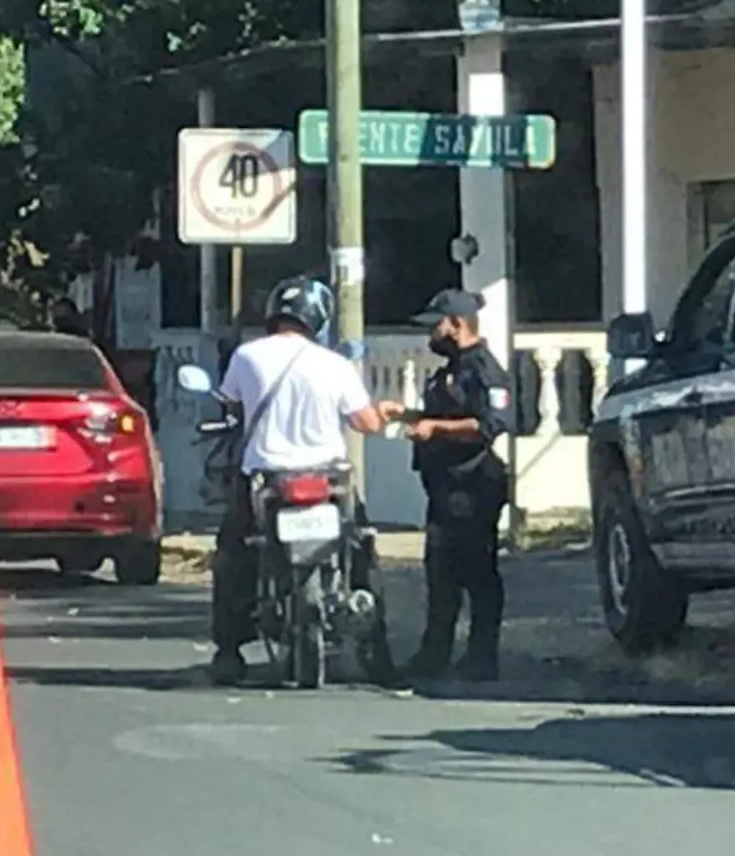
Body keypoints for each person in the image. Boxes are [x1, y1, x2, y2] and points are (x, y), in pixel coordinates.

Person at [208, 274, 406, 686]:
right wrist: (383, 410)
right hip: (328, 478)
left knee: (233, 557)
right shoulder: (335, 364)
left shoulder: (247, 356)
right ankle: (377, 653)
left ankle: (228, 651)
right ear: (319, 318)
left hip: (266, 478)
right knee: (363, 558)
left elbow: (230, 404)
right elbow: (365, 422)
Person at [403, 288, 514, 682]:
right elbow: (444, 412)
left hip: (474, 485)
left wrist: (435, 428)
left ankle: (483, 657)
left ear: (457, 324)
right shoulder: (450, 368)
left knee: (477, 573)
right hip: (445, 488)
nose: (430, 334)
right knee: (441, 575)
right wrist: (408, 414)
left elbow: (489, 425)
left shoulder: (483, 368)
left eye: (435, 325)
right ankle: (434, 656)